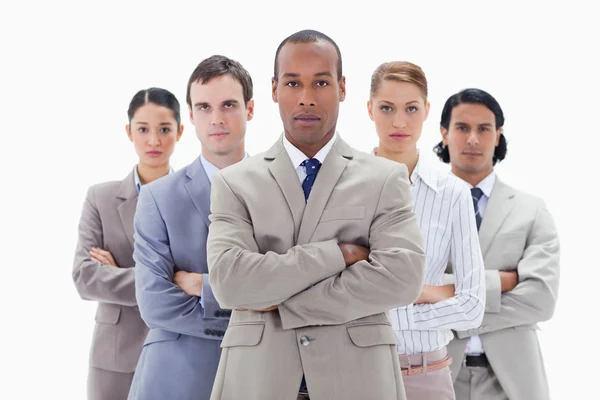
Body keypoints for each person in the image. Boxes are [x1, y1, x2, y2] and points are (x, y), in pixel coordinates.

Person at [206, 29, 426, 400]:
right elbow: (230, 283)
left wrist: (281, 301)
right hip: (259, 378)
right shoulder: (234, 183)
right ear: (274, 90)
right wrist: (338, 255)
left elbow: (402, 278)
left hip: (357, 379)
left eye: (320, 83)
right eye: (293, 83)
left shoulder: (384, 177)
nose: (306, 99)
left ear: (341, 88)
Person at [127, 55, 254, 400]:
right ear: (192, 115)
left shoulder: (287, 188)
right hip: (175, 378)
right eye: (204, 107)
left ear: (250, 109)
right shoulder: (157, 198)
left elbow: (296, 293)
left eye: (229, 105)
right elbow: (155, 304)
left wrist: (203, 286)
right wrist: (256, 317)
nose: (217, 119)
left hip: (263, 378)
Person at [367, 61, 485, 400]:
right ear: (370, 109)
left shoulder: (453, 194)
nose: (399, 121)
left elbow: (473, 305)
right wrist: (426, 293)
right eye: (387, 108)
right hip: (355, 369)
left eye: (411, 108)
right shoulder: (342, 184)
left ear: (427, 111)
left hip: (426, 375)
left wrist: (391, 309)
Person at [436, 88, 560, 400]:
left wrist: (447, 301)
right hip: (435, 374)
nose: (473, 139)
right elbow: (409, 290)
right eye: (463, 128)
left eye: (484, 129)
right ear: (444, 134)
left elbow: (541, 299)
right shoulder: (416, 206)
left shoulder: (531, 210)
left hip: (512, 383)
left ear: (498, 135)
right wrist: (500, 282)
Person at [72, 87, 183, 400]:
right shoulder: (101, 198)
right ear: (128, 132)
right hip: (115, 356)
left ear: (180, 131)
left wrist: (118, 273)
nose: (153, 141)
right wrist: (169, 279)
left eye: (165, 129)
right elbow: (84, 277)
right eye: (143, 129)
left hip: (178, 350)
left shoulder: (197, 196)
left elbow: (203, 274)